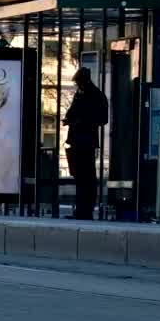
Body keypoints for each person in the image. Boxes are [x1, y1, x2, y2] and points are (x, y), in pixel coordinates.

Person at [63, 67, 109, 221]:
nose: (77, 86)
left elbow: (102, 118)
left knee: (86, 178)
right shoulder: (80, 94)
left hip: (86, 141)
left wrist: (82, 121)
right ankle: (81, 210)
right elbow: (72, 111)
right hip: (77, 140)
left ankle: (85, 211)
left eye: (78, 82)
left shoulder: (96, 96)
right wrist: (69, 119)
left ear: (84, 81)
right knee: (80, 177)